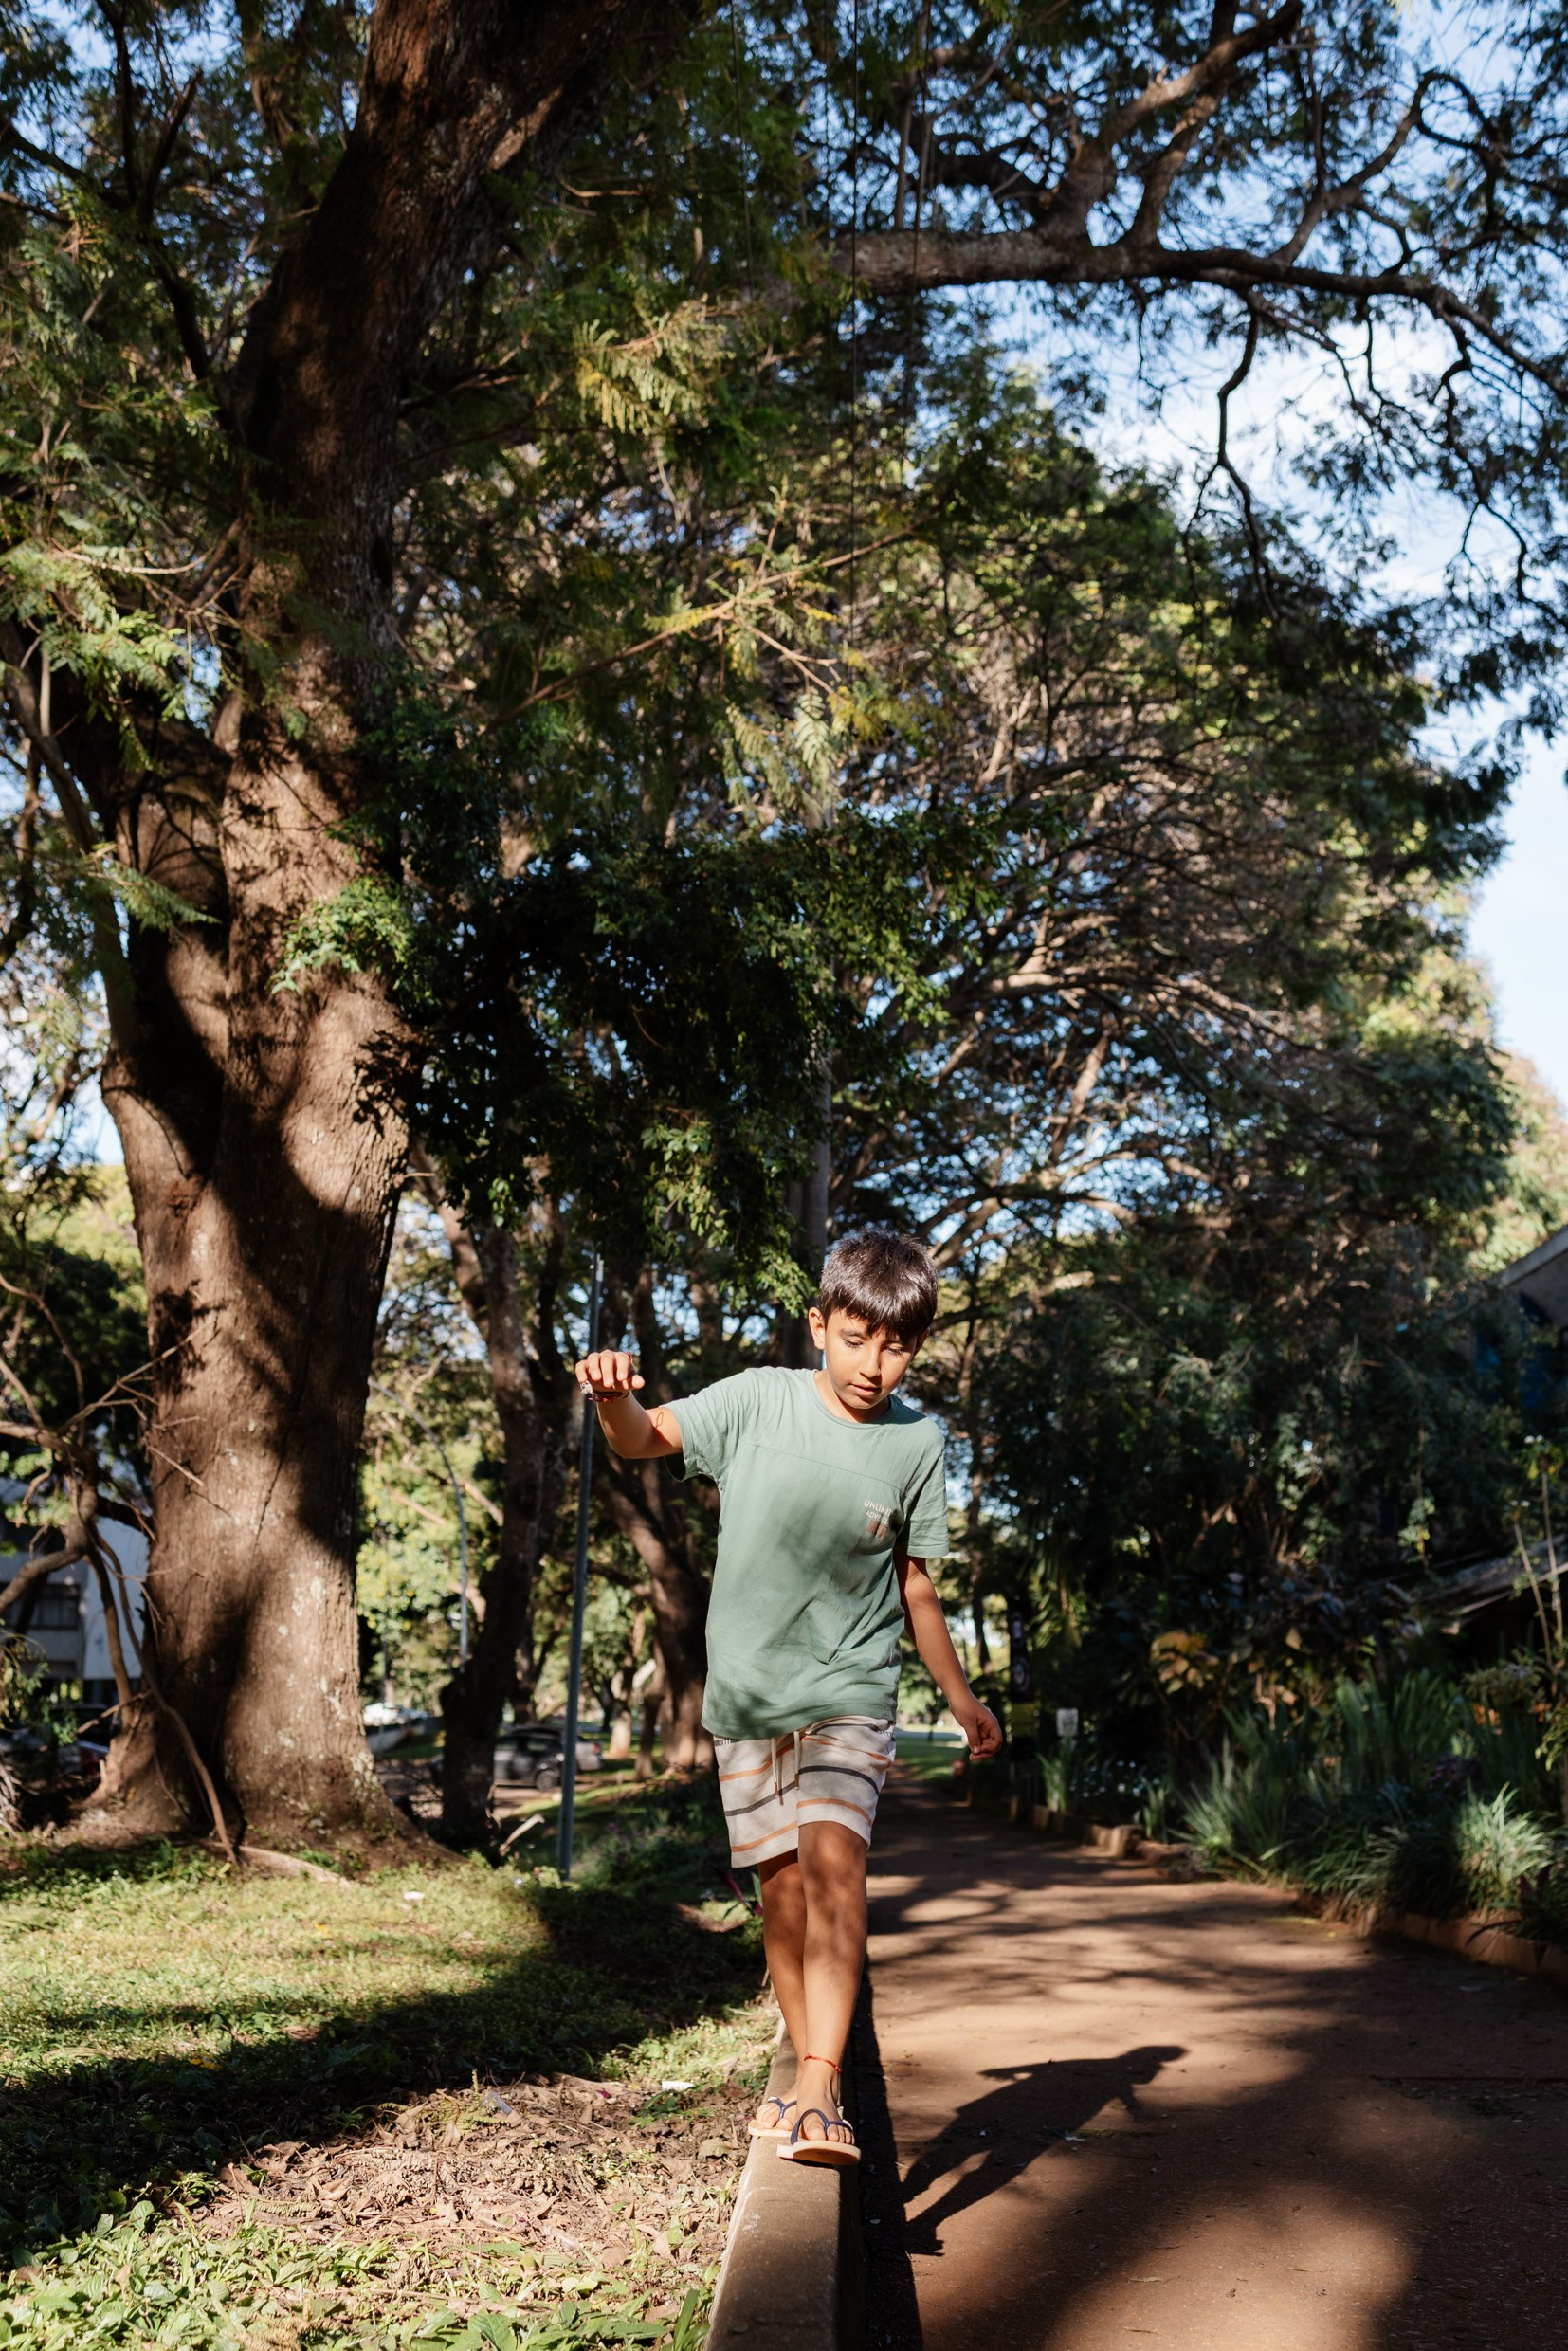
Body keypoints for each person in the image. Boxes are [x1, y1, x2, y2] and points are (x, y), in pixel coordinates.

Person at [575, 1226, 1003, 2168]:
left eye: (896, 1345)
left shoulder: (917, 1442)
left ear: (917, 1346)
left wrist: (959, 1695)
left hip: (850, 1692)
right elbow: (646, 1437)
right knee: (781, 1896)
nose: (873, 1363)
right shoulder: (756, 1400)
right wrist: (615, 1395)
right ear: (820, 1325)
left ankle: (818, 2081)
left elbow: (916, 1586)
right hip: (748, 1698)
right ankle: (803, 2075)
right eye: (857, 1338)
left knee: (835, 1861)